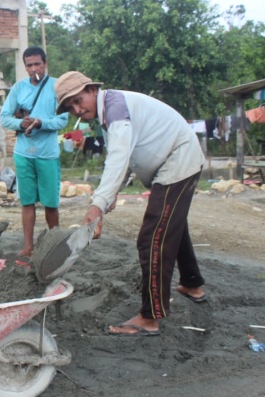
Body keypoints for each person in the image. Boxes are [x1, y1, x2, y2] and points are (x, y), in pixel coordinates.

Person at [54, 71, 207, 336]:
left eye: (79, 100)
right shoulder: (110, 112)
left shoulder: (115, 109)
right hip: (173, 163)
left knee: (152, 237)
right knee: (171, 226)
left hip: (178, 161)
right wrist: (109, 197)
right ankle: (192, 284)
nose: (78, 110)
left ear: (92, 89)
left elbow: (117, 157)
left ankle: (149, 317)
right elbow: (125, 158)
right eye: (71, 107)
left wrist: (97, 206)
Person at [0, 46, 69, 257]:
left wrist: (41, 122)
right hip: (23, 153)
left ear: (45, 64)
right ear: (25, 67)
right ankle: (28, 247)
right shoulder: (18, 89)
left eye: (37, 64)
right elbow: (4, 118)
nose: (34, 68)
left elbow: (63, 119)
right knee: (27, 201)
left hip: (47, 154)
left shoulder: (57, 87)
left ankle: (53, 244)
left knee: (50, 202)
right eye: (29, 65)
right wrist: (21, 123)